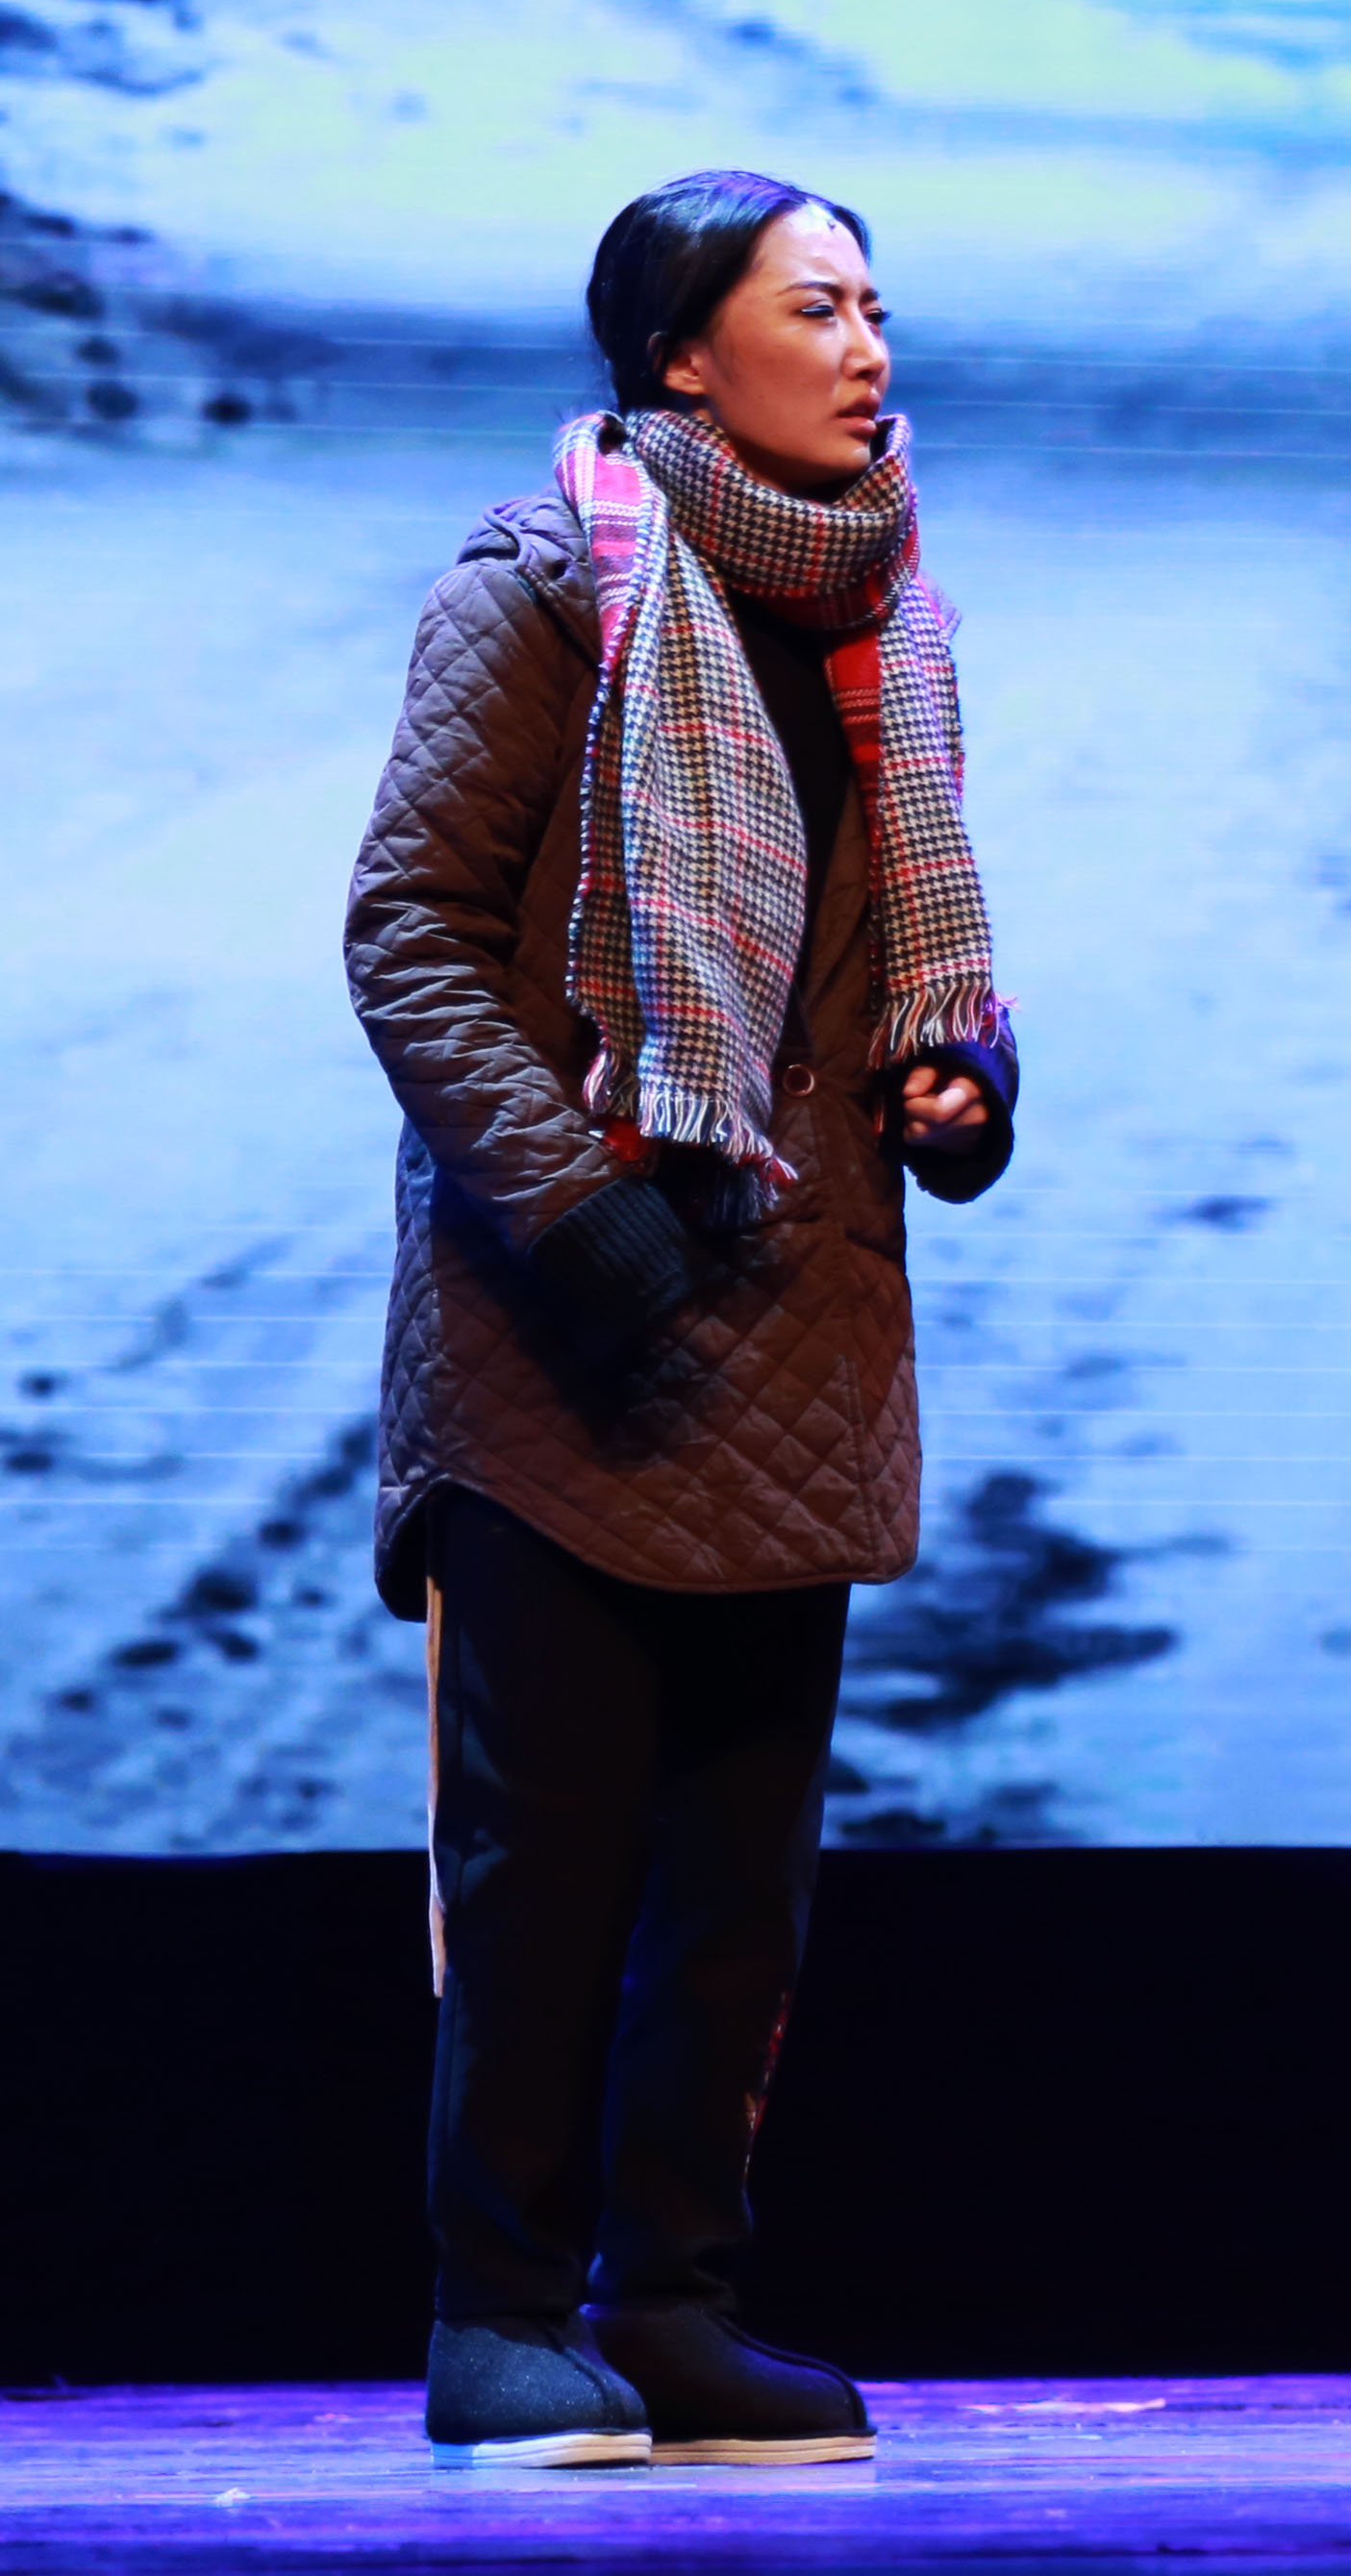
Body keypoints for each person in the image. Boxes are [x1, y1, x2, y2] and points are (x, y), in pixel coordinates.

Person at [347, 170, 1019, 2471]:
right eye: (814, 307)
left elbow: (901, 951)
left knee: (738, 1887)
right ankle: (501, 2311)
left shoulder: (883, 612)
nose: (868, 349)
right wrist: (569, 1204)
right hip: (561, 1338)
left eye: (875, 307)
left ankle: (676, 2299)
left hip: (794, 1331)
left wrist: (960, 1071)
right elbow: (410, 932)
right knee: (544, 1869)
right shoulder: (546, 585)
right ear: (677, 353)